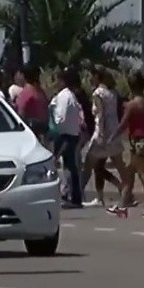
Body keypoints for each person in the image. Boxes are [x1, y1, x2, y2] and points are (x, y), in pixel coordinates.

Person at [107, 71, 144, 218]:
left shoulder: (132, 105)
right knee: (129, 176)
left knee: (143, 175)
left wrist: (112, 137)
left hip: (137, 141)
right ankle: (122, 206)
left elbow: (123, 124)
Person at [80, 65, 128, 207]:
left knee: (90, 163)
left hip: (102, 133)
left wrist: (100, 134)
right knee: (118, 165)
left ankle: (77, 194)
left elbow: (100, 116)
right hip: (114, 131)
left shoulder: (98, 93)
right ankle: (125, 190)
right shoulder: (112, 92)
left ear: (96, 76)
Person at [53, 67, 85, 207]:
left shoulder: (63, 96)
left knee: (68, 167)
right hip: (72, 133)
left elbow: (61, 118)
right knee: (70, 166)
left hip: (65, 134)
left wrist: (54, 125)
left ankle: (71, 197)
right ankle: (75, 197)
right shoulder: (71, 96)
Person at [14, 63, 50, 141]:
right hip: (43, 132)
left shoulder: (25, 93)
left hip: (31, 134)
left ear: (23, 75)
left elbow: (20, 115)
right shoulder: (41, 92)